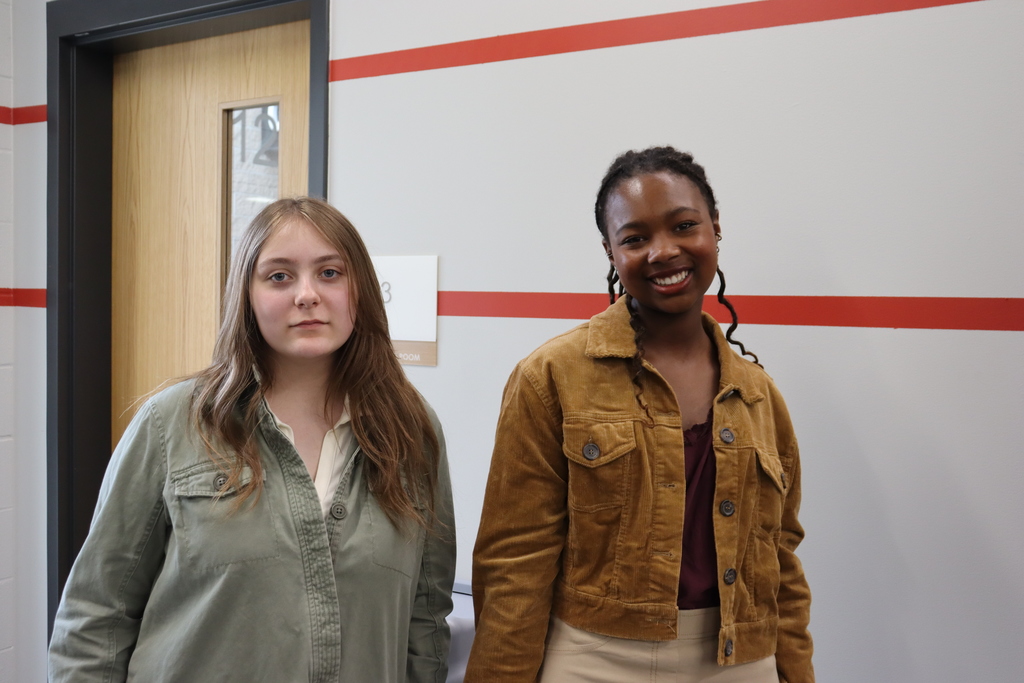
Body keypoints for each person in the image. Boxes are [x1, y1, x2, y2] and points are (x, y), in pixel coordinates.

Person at [49, 197, 456, 683]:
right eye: (279, 276)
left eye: (330, 273)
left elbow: (425, 622)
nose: (306, 294)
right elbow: (97, 614)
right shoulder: (174, 423)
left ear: (361, 290)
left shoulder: (410, 430)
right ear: (247, 294)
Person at [466, 147, 813, 682]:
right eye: (635, 238)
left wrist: (796, 673)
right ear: (610, 251)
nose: (663, 251)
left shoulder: (759, 396)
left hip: (739, 658)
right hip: (595, 659)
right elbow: (516, 561)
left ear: (715, 229)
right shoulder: (550, 376)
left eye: (684, 226)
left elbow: (781, 563)